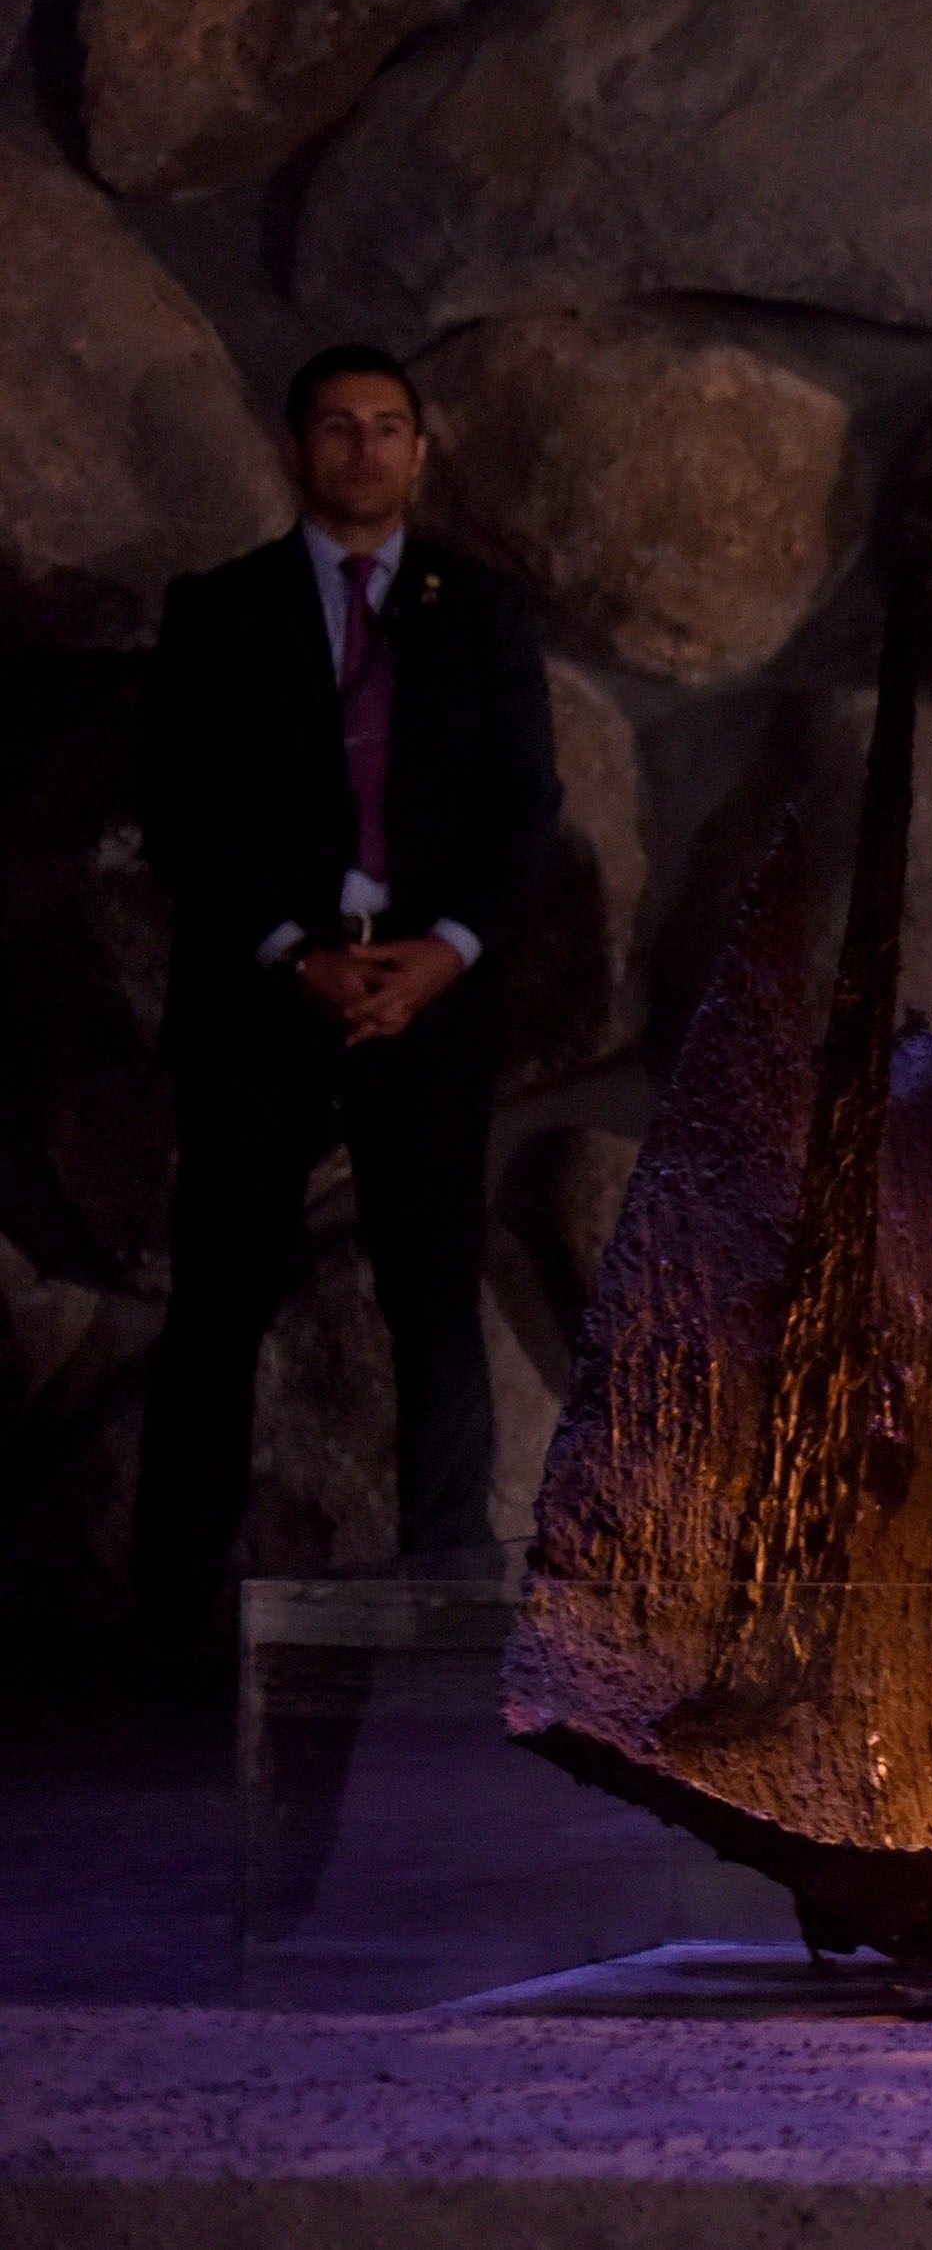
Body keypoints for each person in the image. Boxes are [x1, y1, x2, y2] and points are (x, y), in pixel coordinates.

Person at [129, 343, 561, 1633]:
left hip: (430, 995)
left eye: (387, 428)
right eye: (337, 426)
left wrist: (445, 955)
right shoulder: (220, 610)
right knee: (219, 1295)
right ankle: (170, 1613)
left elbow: (525, 813)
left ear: (421, 454)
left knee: (435, 1295)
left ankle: (448, 1602)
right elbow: (180, 814)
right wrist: (289, 950)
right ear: (294, 446)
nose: (362, 450)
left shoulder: (482, 614)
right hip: (265, 996)